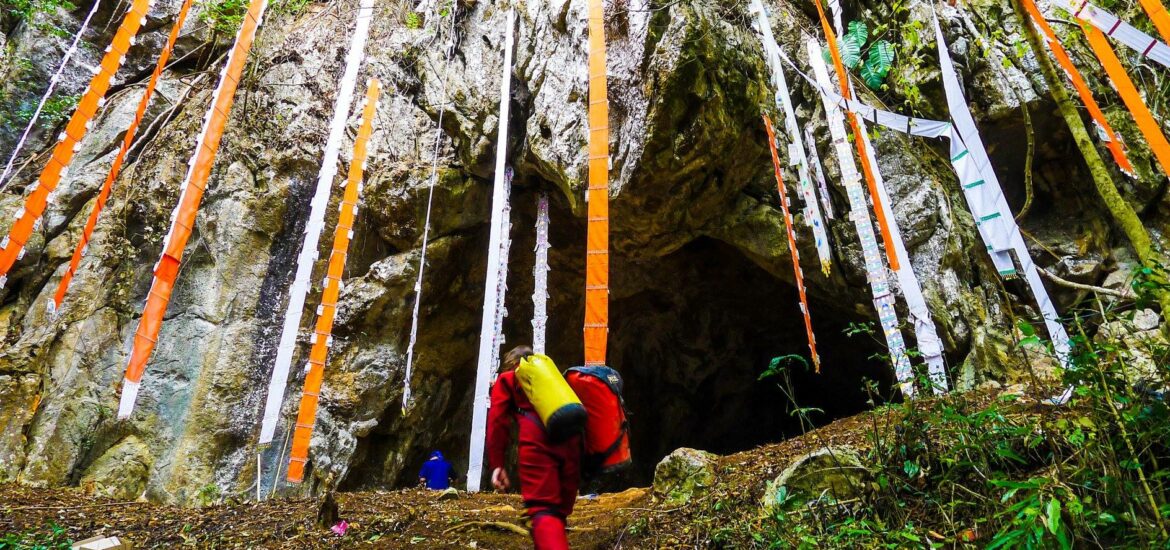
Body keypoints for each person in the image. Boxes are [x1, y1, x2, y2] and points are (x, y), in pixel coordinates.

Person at [486, 345, 581, 550]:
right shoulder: (553, 379)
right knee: (558, 512)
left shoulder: (508, 380)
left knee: (543, 510)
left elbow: (497, 422)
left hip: (537, 443)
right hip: (572, 441)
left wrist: (497, 464)